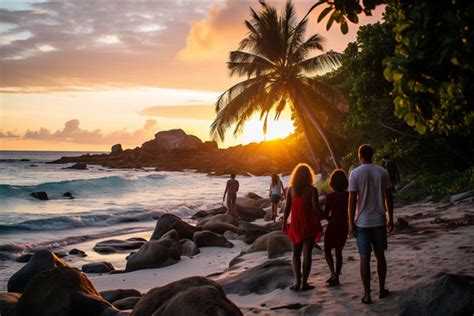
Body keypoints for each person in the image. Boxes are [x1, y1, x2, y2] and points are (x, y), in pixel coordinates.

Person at [348, 144, 394, 304]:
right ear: (372, 155)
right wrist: (391, 218)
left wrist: (350, 223)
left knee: (364, 258)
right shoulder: (382, 172)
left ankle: (367, 294)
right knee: (380, 256)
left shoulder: (355, 173)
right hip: (379, 220)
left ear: (360, 155)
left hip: (362, 222)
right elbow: (389, 197)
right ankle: (381, 290)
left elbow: (352, 200)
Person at [282, 163, 324, 291]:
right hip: (309, 224)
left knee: (295, 254)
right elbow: (316, 209)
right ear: (308, 176)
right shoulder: (312, 190)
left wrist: (284, 221)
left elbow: (287, 208)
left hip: (296, 225)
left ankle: (296, 282)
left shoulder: (291, 190)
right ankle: (304, 283)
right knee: (307, 255)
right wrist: (325, 216)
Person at [323, 169, 349, 287]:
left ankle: (333, 273)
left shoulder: (330, 196)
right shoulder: (348, 195)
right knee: (339, 251)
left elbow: (326, 212)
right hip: (343, 225)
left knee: (327, 250)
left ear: (332, 182)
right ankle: (336, 276)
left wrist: (326, 218)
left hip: (332, 225)